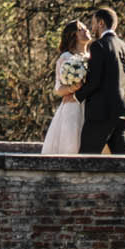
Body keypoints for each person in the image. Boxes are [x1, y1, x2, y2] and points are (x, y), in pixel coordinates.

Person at [76, 6, 125, 154]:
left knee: (86, 160)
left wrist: (76, 96)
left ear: (101, 23)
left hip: (100, 114)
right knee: (123, 163)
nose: (92, 27)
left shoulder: (99, 46)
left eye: (94, 23)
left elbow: (94, 81)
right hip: (123, 112)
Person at [39, 20, 91, 155]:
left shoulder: (92, 56)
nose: (87, 31)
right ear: (73, 35)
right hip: (72, 107)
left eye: (86, 28)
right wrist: (73, 87)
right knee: (71, 146)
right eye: (81, 29)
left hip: (91, 106)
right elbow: (58, 89)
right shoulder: (66, 57)